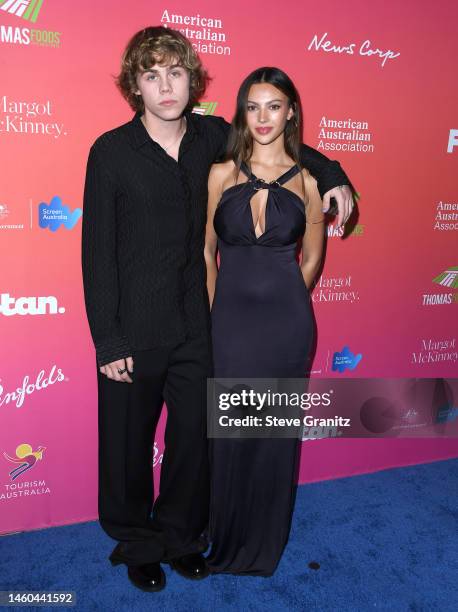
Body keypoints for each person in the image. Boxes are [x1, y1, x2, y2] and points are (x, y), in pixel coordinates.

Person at [81, 26, 354, 593]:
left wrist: (334, 175)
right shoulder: (110, 152)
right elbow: (97, 254)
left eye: (175, 73)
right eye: (151, 75)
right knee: (127, 445)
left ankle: (181, 537)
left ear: (192, 79)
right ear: (135, 85)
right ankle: (137, 541)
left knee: (193, 443)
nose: (165, 87)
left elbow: (282, 145)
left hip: (200, 325)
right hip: (134, 329)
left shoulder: (212, 137)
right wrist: (108, 340)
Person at [204, 67, 327, 576]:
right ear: (241, 113)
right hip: (230, 321)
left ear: (290, 111)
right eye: (253, 107)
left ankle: (263, 544)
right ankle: (226, 538)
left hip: (286, 324)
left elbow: (313, 260)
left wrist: (284, 300)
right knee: (231, 434)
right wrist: (219, 311)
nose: (262, 117)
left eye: (273, 106)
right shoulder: (220, 174)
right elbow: (206, 253)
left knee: (273, 437)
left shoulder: (310, 180)